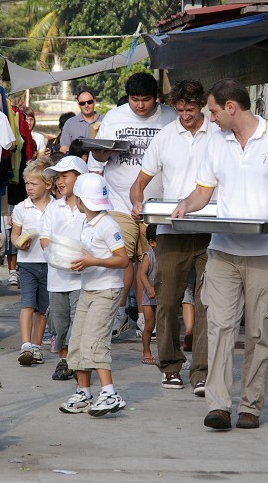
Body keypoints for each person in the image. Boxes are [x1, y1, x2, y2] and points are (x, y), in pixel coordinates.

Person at [173, 79, 268, 430]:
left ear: (231, 107)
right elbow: (203, 192)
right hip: (224, 249)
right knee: (219, 327)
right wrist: (183, 207)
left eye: (214, 111)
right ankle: (218, 405)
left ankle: (251, 406)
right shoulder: (215, 144)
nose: (211, 118)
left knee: (261, 330)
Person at [129, 79, 218, 394]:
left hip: (214, 232)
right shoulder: (165, 137)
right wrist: (137, 201)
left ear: (202, 106)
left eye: (190, 110)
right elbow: (139, 183)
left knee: (209, 304)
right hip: (170, 230)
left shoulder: (220, 135)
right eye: (179, 110)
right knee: (166, 301)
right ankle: (169, 366)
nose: (184, 115)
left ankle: (203, 371)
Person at [90, 73, 177, 338]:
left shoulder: (171, 118)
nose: (139, 105)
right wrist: (99, 154)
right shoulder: (114, 117)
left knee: (150, 262)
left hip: (161, 203)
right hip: (119, 200)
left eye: (146, 100)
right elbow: (96, 164)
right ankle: (117, 312)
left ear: (157, 98)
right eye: (134, 100)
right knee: (122, 257)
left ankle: (145, 317)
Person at [59, 173, 130, 417]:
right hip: (88, 289)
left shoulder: (107, 224)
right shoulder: (87, 223)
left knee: (95, 341)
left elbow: (123, 260)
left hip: (106, 290)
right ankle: (84, 392)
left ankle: (110, 392)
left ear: (79, 199)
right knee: (77, 342)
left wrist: (92, 261)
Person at [41, 155, 89, 381]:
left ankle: (70, 361)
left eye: (65, 176)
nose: (60, 182)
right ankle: (64, 358)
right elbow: (44, 239)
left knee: (78, 319)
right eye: (57, 177)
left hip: (82, 276)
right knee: (59, 322)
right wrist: (58, 256)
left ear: (80, 178)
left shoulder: (89, 208)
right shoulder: (53, 208)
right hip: (57, 276)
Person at [11, 158, 54, 366]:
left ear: (48, 185)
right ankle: (26, 344)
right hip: (27, 263)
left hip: (49, 263)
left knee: (43, 308)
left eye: (34, 184)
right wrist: (19, 244)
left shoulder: (56, 207)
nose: (29, 188)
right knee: (27, 303)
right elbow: (15, 235)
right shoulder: (21, 207)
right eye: (27, 183)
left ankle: (37, 346)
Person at [137, 225, 158, 365]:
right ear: (152, 242)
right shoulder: (148, 256)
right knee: (149, 326)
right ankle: (146, 351)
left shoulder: (167, 256)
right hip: (149, 297)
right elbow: (142, 274)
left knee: (164, 327)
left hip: (162, 296)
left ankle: (165, 352)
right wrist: (149, 287)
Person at [60, 88, 102, 154]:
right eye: (82, 103)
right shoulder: (69, 124)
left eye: (89, 102)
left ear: (94, 102)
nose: (86, 105)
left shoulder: (105, 121)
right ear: (79, 105)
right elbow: (64, 148)